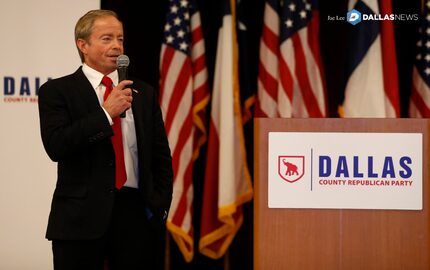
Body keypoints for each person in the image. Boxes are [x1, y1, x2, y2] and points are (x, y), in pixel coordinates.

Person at [38, 9, 173, 270]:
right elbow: (57, 145)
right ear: (83, 45)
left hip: (136, 216)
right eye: (106, 38)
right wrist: (106, 113)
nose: (116, 46)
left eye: (120, 39)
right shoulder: (57, 91)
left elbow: (160, 156)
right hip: (79, 219)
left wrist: (160, 204)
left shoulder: (143, 93)